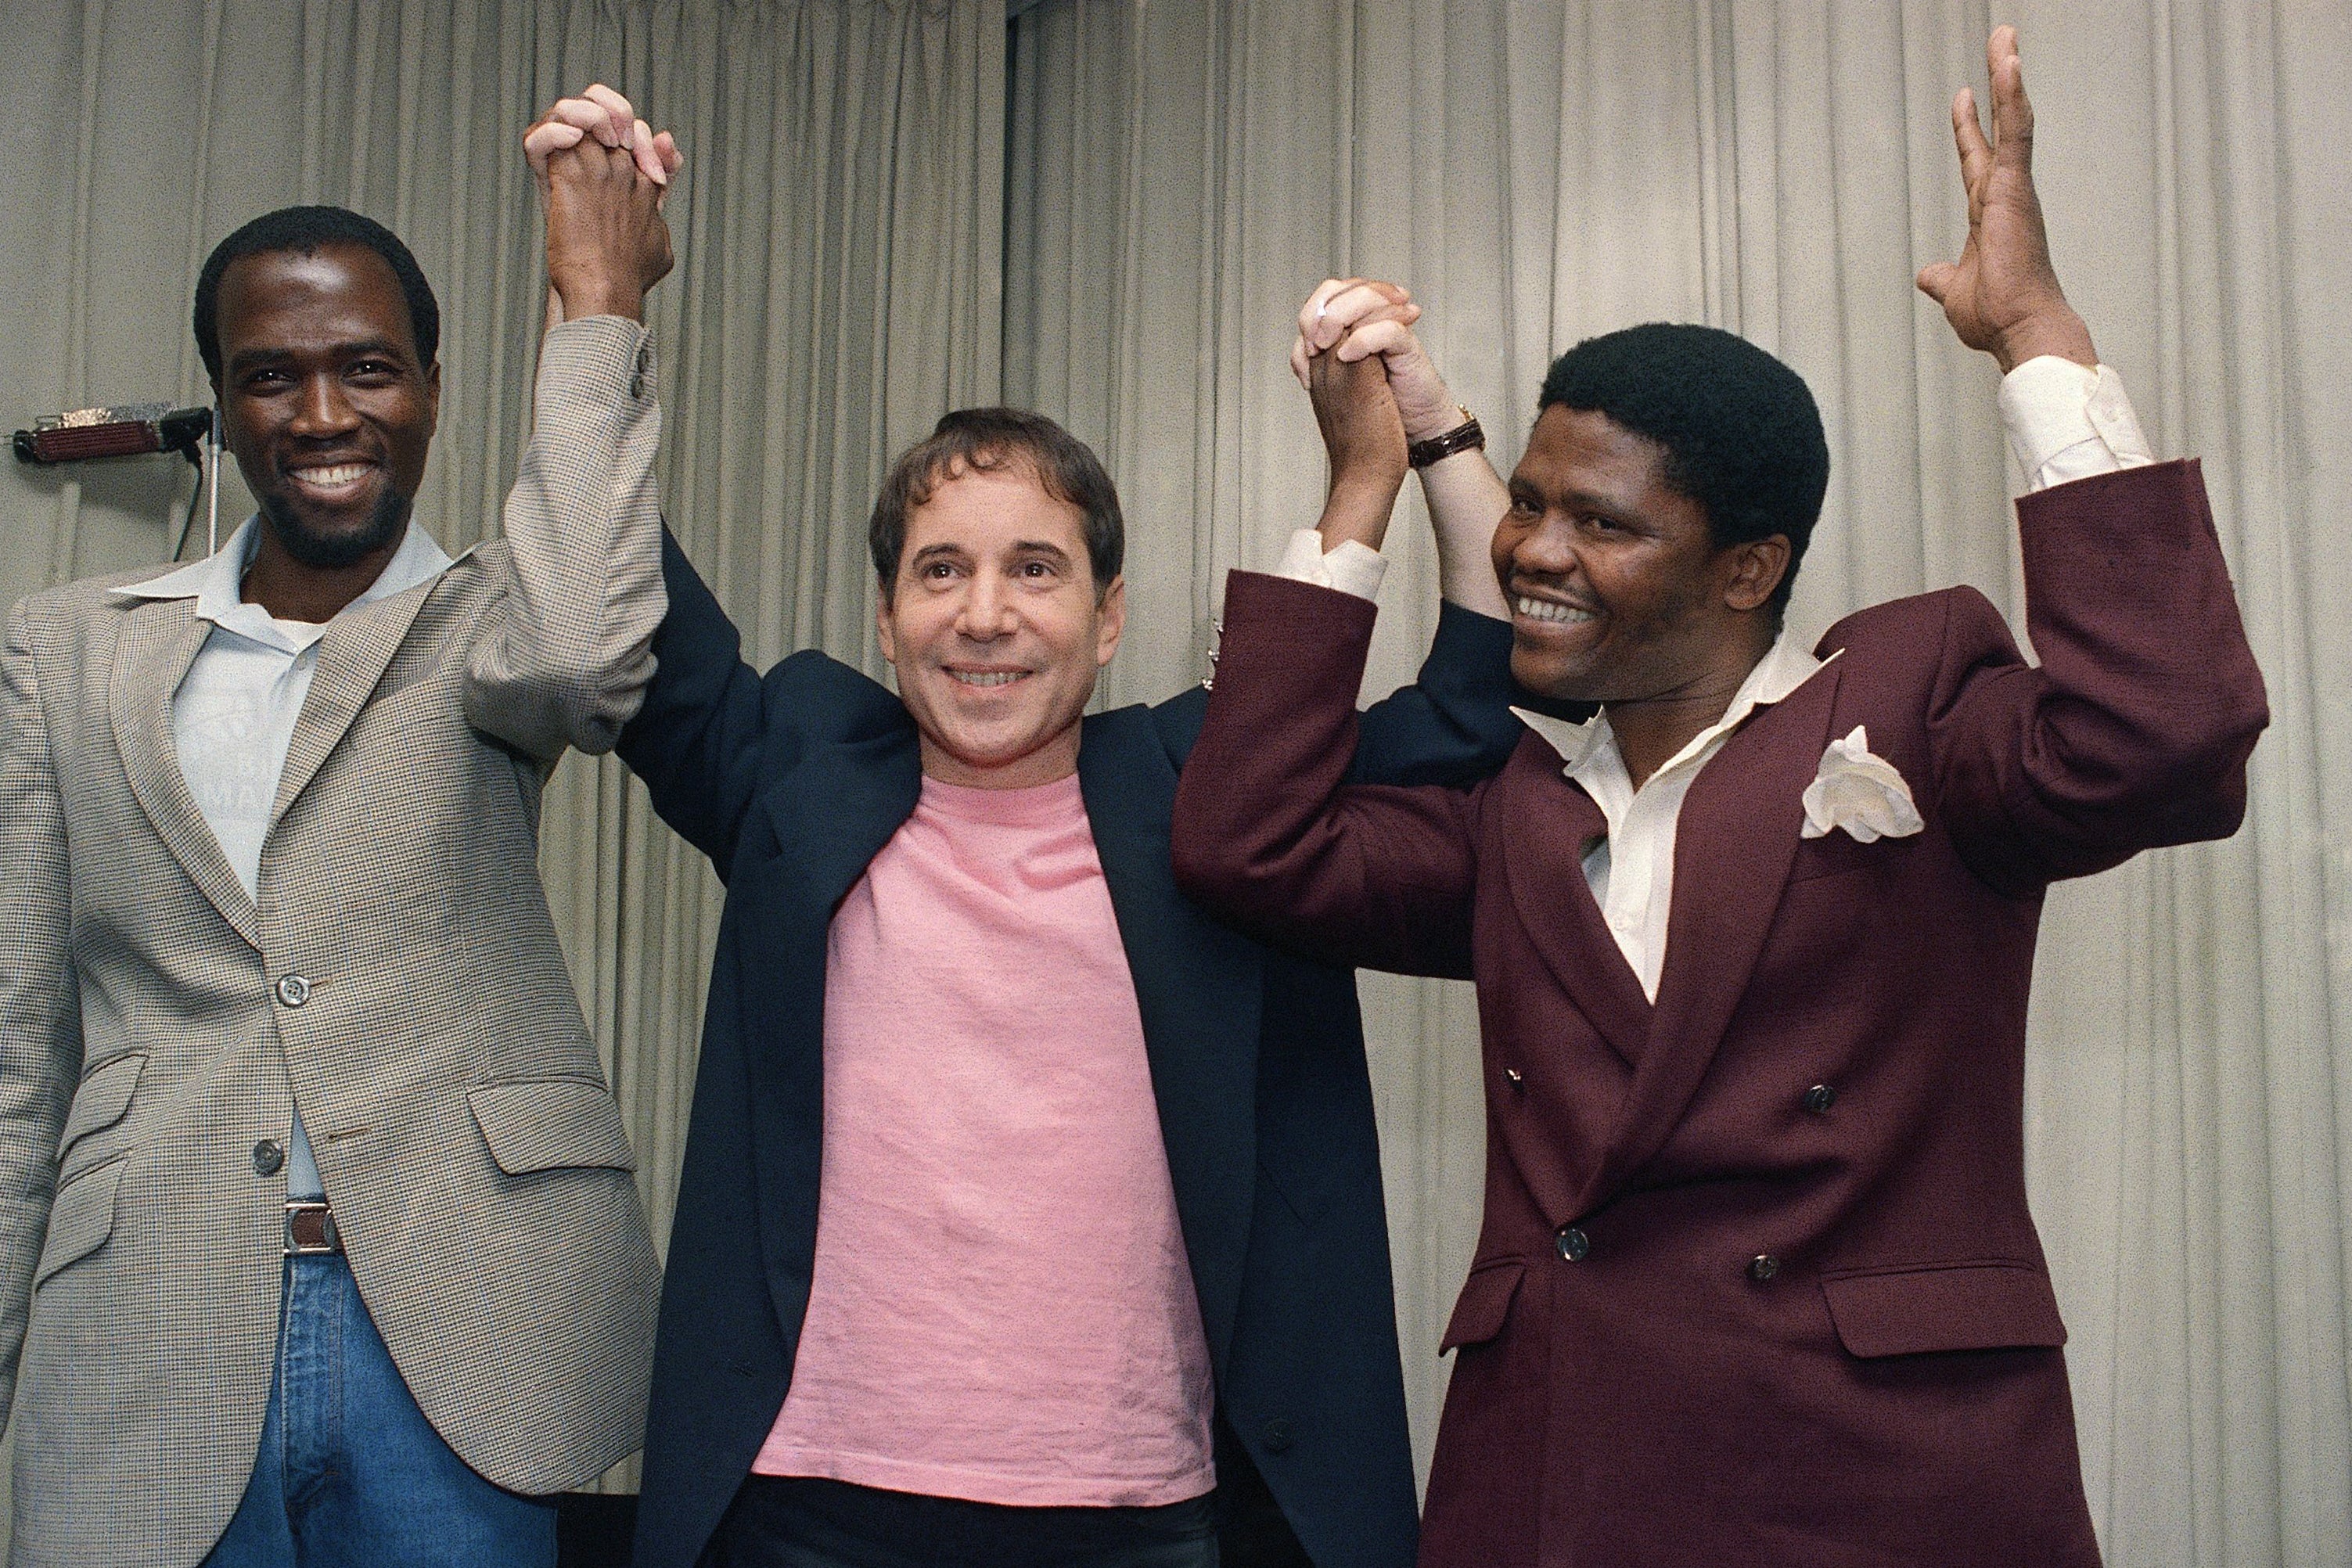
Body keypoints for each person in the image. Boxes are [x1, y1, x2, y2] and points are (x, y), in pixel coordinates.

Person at [1170, 27, 2267, 1566]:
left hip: (1877, 1483)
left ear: (1744, 567)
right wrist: (1372, 479)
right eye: (1531, 510)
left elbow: (2165, 735)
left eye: (1603, 524)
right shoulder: (1520, 811)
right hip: (1556, 1481)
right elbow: (1249, 846)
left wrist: (2037, 332)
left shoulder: (1909, 704)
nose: (1539, 554)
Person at [512, 86, 1524, 1568]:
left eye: (1035, 571)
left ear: (1109, 618)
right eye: (939, 573)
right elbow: (595, 605)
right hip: (806, 1503)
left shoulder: (1208, 793)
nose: (983, 617)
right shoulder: (798, 757)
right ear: (886, 613)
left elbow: (1468, 720)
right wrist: (597, 299)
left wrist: (1419, 441)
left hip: (1141, 1513)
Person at [0, 102, 682, 1566]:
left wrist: (597, 302)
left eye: (367, 369)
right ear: (225, 402)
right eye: (271, 378)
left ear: (434, 387)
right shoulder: (60, 656)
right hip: (149, 1335)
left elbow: (584, 660)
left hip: (462, 1334)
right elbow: (19, 1052)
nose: (321, 417)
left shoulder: (495, 617)